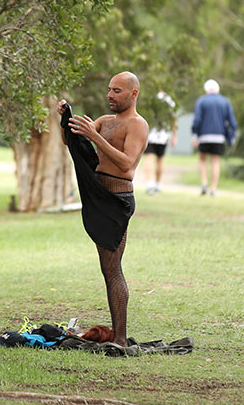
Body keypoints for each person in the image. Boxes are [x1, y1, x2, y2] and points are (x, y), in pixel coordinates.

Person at [57, 71, 148, 347]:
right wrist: (64, 117)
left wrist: (95, 138)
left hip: (117, 199)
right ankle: (118, 336)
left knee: (112, 268)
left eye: (117, 91)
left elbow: (126, 165)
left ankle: (119, 338)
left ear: (133, 94)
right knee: (107, 268)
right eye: (109, 89)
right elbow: (70, 139)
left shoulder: (137, 125)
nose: (110, 95)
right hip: (98, 195)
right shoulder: (105, 121)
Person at [192, 79, 237, 196]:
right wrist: (231, 137)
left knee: (202, 160)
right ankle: (213, 188)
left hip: (204, 136)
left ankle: (204, 183)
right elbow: (232, 122)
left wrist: (195, 135)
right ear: (218, 89)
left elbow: (197, 120)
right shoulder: (225, 102)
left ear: (206, 89)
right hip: (219, 136)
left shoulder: (201, 101)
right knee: (215, 162)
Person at [144, 91, 177, 194]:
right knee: (160, 160)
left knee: (149, 158)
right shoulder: (169, 101)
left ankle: (149, 184)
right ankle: (157, 184)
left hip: (150, 133)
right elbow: (174, 119)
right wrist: (175, 135)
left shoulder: (150, 99)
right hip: (163, 135)